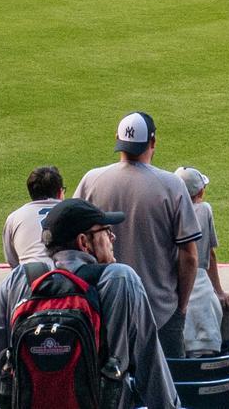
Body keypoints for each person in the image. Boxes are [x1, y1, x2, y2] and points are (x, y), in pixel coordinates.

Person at [0, 199, 180, 409]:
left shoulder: (20, 280)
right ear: (84, 242)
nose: (113, 238)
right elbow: (150, 364)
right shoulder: (120, 279)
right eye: (105, 231)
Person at [74, 112, 201, 358]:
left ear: (117, 139)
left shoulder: (92, 180)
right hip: (161, 313)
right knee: (166, 392)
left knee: (110, 391)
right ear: (152, 142)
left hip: (104, 308)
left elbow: (73, 243)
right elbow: (190, 257)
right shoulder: (172, 185)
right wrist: (180, 308)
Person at [177, 166, 229, 355]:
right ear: (200, 191)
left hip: (174, 290)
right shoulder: (204, 210)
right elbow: (210, 254)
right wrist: (219, 291)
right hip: (202, 292)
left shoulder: (167, 209)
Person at [3, 165, 61, 266]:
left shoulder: (14, 217)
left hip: (32, 277)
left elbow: (13, 263)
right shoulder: (75, 210)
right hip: (70, 277)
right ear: (60, 192)